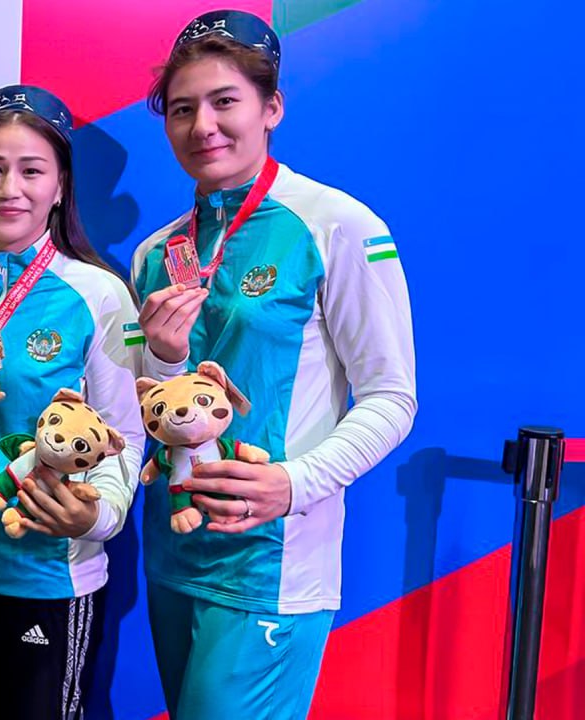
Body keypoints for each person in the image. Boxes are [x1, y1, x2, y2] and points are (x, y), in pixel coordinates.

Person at [131, 10, 418, 718]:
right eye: (182, 109)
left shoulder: (338, 225)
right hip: (172, 553)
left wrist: (294, 483)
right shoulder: (154, 254)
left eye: (224, 101)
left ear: (272, 108)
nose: (202, 126)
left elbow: (391, 396)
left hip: (273, 566)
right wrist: (163, 359)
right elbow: (154, 412)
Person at [0, 84, 145, 720]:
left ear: (60, 187)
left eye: (31, 170)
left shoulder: (98, 295)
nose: (9, 189)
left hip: (48, 576)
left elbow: (126, 434)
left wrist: (97, 517)